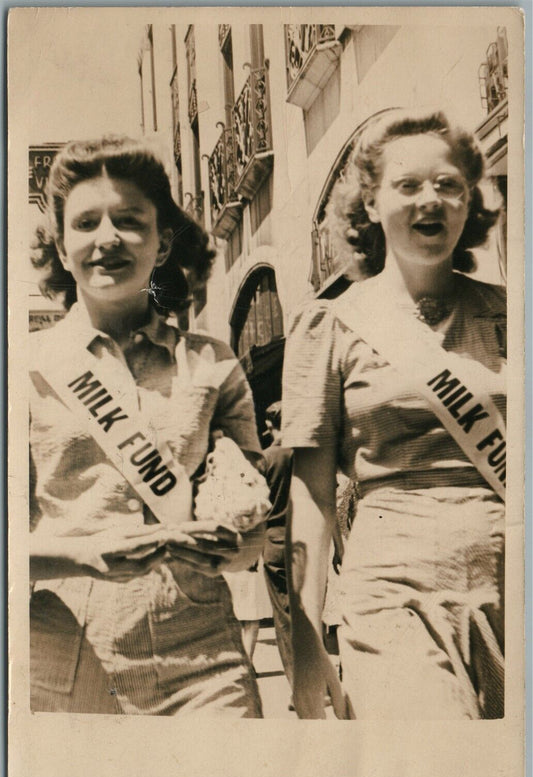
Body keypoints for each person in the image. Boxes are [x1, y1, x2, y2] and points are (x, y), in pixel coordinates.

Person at [29, 135, 265, 716]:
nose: (108, 238)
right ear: (61, 248)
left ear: (161, 244)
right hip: (67, 660)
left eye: (130, 221)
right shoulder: (23, 370)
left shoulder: (213, 364)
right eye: (86, 223)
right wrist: (82, 555)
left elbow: (255, 523)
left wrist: (233, 544)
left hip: (205, 662)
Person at [282, 109, 506, 720]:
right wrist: (306, 645)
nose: (430, 200)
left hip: (513, 584)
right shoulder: (329, 325)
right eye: (407, 186)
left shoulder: (514, 315)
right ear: (371, 204)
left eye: (448, 185)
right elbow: (313, 496)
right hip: (391, 591)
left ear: (469, 203)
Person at [261, 402, 294, 687]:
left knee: (284, 617)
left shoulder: (265, 459)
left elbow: (255, 508)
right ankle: (317, 679)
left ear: (269, 425)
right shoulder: (307, 456)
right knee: (310, 611)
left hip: (273, 541)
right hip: (305, 540)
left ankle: (298, 685)